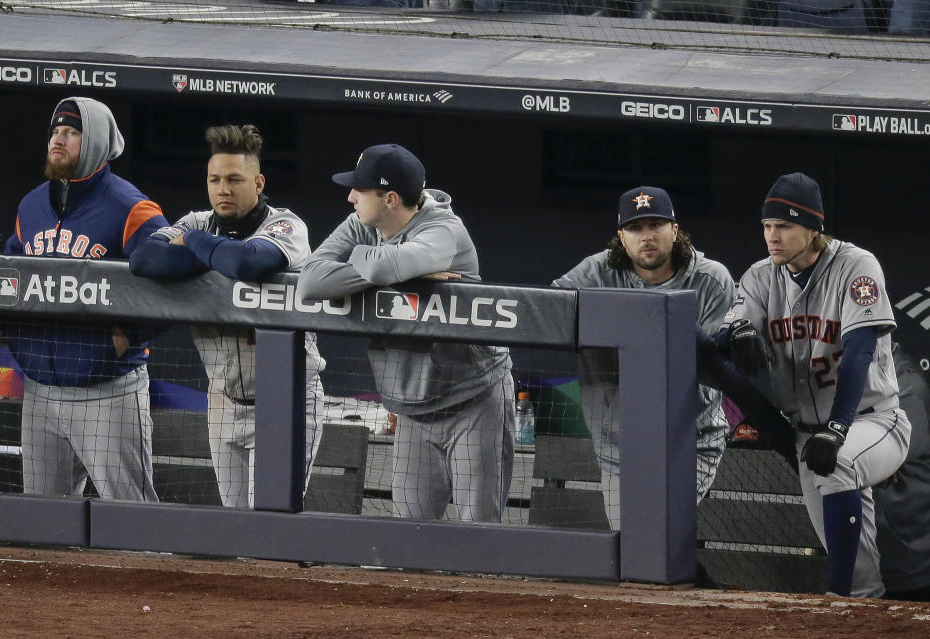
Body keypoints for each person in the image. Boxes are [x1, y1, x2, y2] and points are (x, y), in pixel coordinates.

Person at [297, 143, 515, 522]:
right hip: (413, 408)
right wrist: (396, 270)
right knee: (408, 540)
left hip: (474, 398)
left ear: (391, 198)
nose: (350, 197)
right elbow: (312, 281)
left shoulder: (445, 229)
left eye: (360, 190)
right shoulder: (362, 224)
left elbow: (383, 268)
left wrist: (379, 268)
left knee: (479, 536)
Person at [720, 171, 911, 597]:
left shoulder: (856, 266)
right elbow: (728, 330)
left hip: (873, 422)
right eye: (767, 226)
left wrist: (839, 427)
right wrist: (740, 332)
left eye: (784, 226)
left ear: (813, 229)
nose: (772, 236)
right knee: (860, 580)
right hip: (809, 432)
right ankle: (859, 611)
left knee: (839, 464)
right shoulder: (760, 276)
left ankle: (833, 600)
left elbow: (859, 350)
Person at [129, 124, 325, 509]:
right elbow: (143, 259)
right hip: (222, 401)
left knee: (267, 523)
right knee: (234, 523)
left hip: (286, 402)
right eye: (215, 179)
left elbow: (248, 262)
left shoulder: (285, 225)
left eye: (235, 180)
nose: (223, 189)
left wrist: (198, 247)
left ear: (258, 182)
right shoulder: (196, 220)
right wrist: (213, 250)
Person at [0, 97, 169, 500]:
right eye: (55, 131)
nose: (59, 139)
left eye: (72, 132)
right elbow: (4, 276)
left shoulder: (131, 207)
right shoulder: (31, 204)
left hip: (106, 390)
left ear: (94, 142)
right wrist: (10, 331)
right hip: (39, 390)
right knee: (43, 524)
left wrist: (133, 332)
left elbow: (175, 279)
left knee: (131, 517)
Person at [553, 186, 734, 528]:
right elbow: (549, 312)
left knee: (652, 533)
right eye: (635, 228)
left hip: (689, 443)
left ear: (675, 230)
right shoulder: (597, 273)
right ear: (621, 237)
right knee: (632, 544)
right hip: (618, 449)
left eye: (656, 225)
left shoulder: (711, 280)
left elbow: (704, 365)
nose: (646, 236)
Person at [873, 343, 930, 600]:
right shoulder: (863, 380)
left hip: (912, 557)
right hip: (881, 555)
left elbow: (890, 463)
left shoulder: (907, 385)